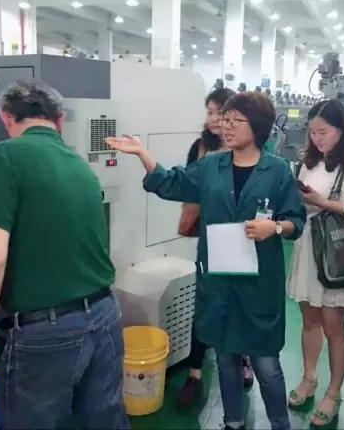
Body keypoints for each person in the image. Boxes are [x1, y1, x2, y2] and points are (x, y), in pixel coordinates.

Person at [106, 91, 305, 430]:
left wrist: (274, 227)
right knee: (226, 359)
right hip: (218, 281)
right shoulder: (212, 166)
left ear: (257, 126)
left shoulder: (277, 171)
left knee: (267, 365)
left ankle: (280, 424)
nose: (226, 126)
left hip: (259, 285)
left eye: (235, 120)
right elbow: (171, 183)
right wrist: (142, 153)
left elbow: (295, 221)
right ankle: (232, 421)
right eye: (224, 119)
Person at [0, 80, 129, 430]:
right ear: (60, 119)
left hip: (48, 331)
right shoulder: (79, 163)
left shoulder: (4, 156)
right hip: (105, 315)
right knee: (105, 420)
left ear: (6, 117)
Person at [286, 99, 344, 427]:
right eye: (312, 132)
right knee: (309, 320)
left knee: (334, 327)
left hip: (337, 254)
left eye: (323, 132)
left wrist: (322, 202)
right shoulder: (308, 161)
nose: (317, 138)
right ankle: (309, 377)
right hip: (307, 247)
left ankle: (334, 393)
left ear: (341, 129)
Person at [178, 88, 255, 409]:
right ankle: (195, 373)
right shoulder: (201, 147)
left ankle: (244, 358)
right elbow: (186, 186)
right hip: (210, 238)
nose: (212, 119)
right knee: (204, 303)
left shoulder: (248, 150)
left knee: (240, 302)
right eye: (209, 112)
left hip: (242, 237)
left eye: (218, 113)